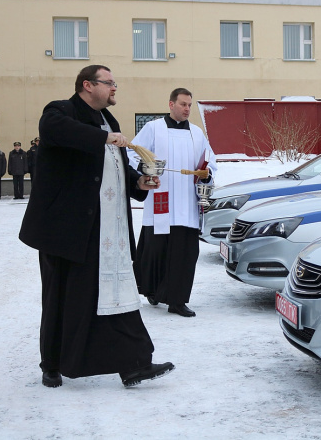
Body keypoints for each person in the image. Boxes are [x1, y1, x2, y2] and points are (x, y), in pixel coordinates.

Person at [19, 64, 175, 389]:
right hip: (66, 231)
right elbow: (57, 131)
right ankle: (51, 364)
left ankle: (134, 364)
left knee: (117, 298)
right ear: (88, 86)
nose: (115, 88)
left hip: (107, 233)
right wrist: (104, 137)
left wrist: (140, 183)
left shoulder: (110, 121)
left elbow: (116, 167)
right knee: (60, 297)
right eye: (109, 83)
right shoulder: (61, 112)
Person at [127, 88, 217, 318]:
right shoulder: (153, 128)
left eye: (189, 105)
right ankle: (152, 290)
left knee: (184, 254)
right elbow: (133, 153)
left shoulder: (196, 133)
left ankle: (178, 300)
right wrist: (145, 171)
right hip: (161, 198)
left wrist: (206, 173)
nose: (187, 109)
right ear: (171, 105)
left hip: (186, 204)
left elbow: (210, 162)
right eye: (183, 104)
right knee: (156, 250)